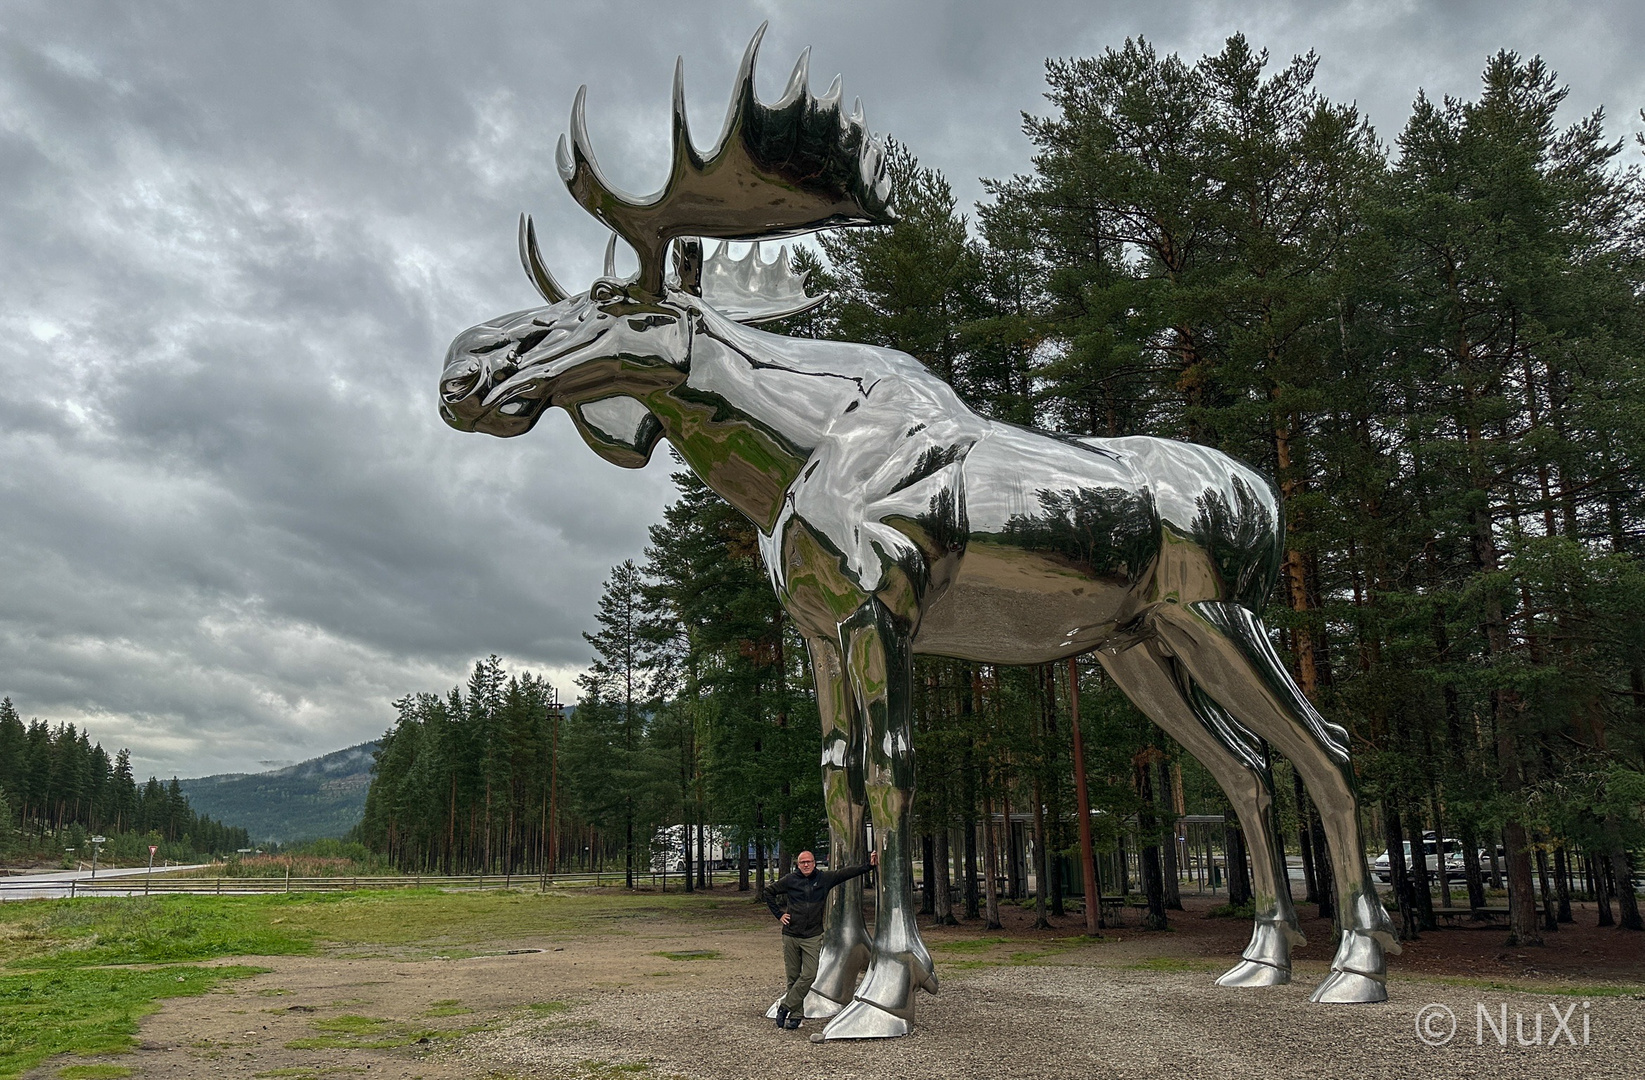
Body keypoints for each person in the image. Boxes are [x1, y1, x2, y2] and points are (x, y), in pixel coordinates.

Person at [762, 847, 878, 1030]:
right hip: (791, 935)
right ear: (798, 865)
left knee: (809, 975)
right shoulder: (790, 880)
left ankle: (785, 1007)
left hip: (812, 936)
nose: (806, 865)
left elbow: (845, 873)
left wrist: (868, 866)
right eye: (802, 862)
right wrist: (779, 915)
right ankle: (796, 1016)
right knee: (793, 978)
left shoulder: (823, 879)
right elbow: (768, 892)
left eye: (809, 862)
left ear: (814, 863)